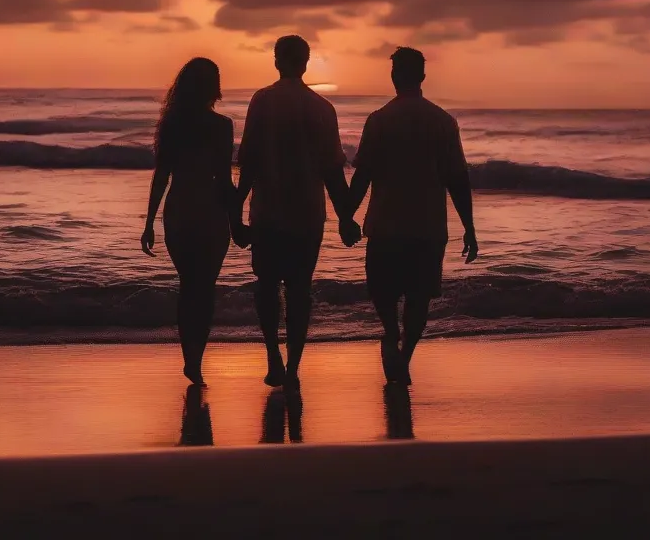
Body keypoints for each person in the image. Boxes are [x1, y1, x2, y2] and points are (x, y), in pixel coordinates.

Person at [232, 34, 361, 389]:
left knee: (267, 286)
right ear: (305, 63)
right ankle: (293, 366)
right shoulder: (322, 108)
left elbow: (249, 161)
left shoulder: (262, 100)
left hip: (268, 211)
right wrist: (347, 218)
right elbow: (333, 171)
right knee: (300, 290)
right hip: (307, 213)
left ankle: (273, 355)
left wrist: (235, 215)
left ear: (276, 61)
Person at [347, 46, 478, 385]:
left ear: (394, 76)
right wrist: (469, 228)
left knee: (384, 293)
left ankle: (391, 336)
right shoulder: (443, 122)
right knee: (419, 298)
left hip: (386, 225)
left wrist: (346, 216)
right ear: (421, 76)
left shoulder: (379, 120)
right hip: (428, 228)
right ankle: (404, 356)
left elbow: (362, 176)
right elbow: (457, 179)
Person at [141, 57, 234, 385]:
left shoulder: (172, 125)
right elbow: (224, 181)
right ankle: (196, 360)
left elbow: (162, 176)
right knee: (204, 289)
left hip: (179, 211)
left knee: (188, 287)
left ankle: (189, 358)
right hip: (210, 212)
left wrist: (150, 222)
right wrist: (237, 222)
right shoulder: (222, 127)